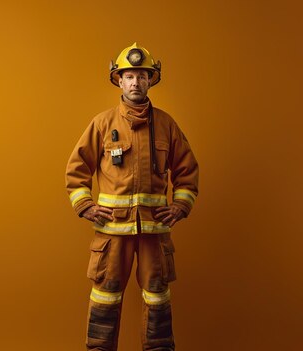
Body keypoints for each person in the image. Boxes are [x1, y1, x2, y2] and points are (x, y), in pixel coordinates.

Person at [65, 42, 199, 351]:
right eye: (128, 76)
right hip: (112, 234)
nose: (135, 82)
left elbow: (187, 170)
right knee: (105, 296)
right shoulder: (102, 124)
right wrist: (85, 205)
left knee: (157, 296)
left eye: (142, 75)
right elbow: (76, 169)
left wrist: (181, 205)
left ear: (152, 80)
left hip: (154, 232)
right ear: (118, 81)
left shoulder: (167, 125)